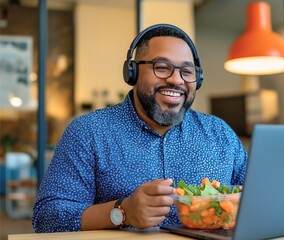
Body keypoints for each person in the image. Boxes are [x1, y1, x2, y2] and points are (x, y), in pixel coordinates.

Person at [32, 23, 248, 233]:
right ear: (132, 73)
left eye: (187, 71)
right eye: (162, 67)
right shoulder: (88, 132)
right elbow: (46, 218)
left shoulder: (220, 134)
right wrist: (122, 212)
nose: (176, 79)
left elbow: (259, 200)